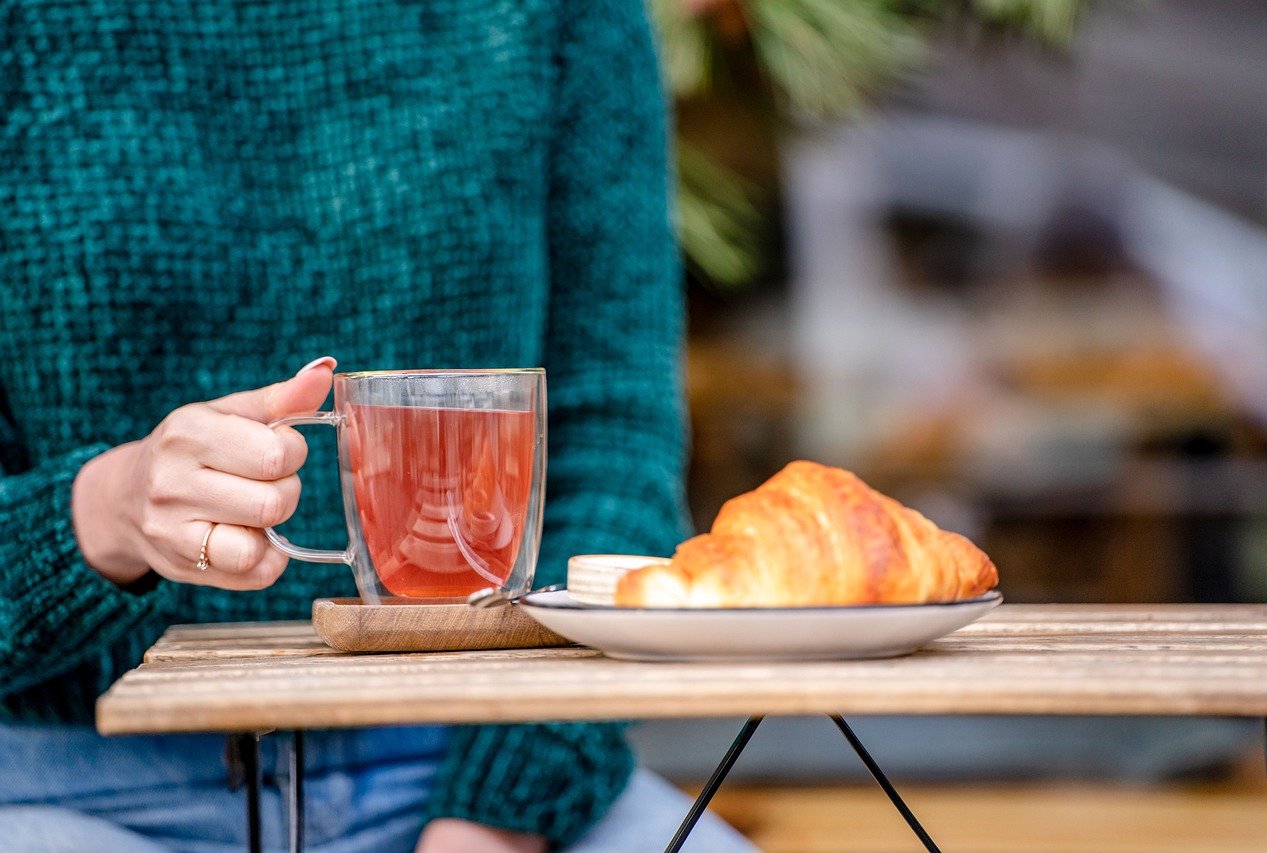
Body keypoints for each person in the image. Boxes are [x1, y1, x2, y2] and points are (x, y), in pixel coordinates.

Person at [0, 1, 754, 851]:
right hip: (75, 781)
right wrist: (103, 512)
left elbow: (613, 443)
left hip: (475, 751)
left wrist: (498, 813)